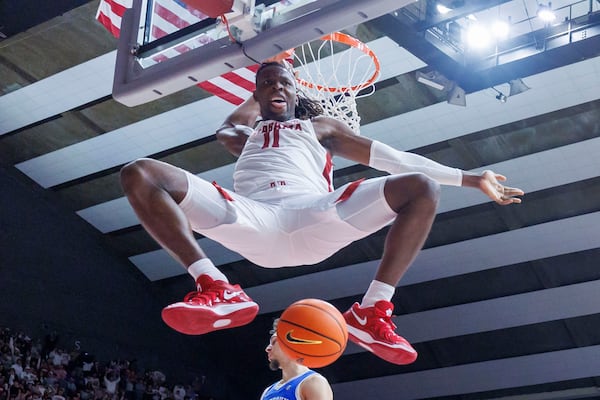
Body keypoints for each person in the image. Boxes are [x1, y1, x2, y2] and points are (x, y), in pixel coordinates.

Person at [120, 61, 524, 365]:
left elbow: (394, 160)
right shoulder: (240, 136)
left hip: (315, 214)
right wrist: (266, 76)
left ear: (296, 94)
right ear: (257, 97)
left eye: (285, 84)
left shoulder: (322, 129)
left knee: (421, 187)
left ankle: (371, 311)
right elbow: (235, 117)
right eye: (267, 85)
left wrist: (470, 179)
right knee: (139, 173)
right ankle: (216, 286)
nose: (276, 87)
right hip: (253, 218)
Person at [260, 319, 332, 400]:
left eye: (274, 342)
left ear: (291, 345)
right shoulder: (267, 392)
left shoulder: (314, 382)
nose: (267, 348)